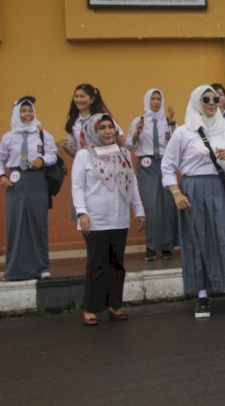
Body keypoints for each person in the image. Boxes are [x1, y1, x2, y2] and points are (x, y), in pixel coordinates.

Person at [161, 85, 225, 318]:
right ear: (197, 101)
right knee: (197, 241)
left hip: (218, 187)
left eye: (215, 99)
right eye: (205, 99)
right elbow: (167, 167)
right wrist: (176, 193)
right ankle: (202, 297)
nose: (211, 102)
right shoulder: (184, 132)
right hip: (193, 189)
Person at [72, 114, 145, 325]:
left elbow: (132, 184)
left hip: (119, 218)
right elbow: (77, 187)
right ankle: (91, 308)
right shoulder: (84, 155)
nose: (107, 131)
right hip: (94, 219)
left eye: (110, 127)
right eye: (102, 128)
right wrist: (81, 212)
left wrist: (138, 211)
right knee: (97, 264)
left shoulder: (123, 154)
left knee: (116, 263)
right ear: (93, 131)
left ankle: (115, 304)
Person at [0, 96, 57, 281]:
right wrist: (1, 175)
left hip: (37, 181)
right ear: (16, 113)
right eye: (23, 111)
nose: (28, 114)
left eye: (30, 111)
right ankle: (13, 270)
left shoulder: (43, 135)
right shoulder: (8, 137)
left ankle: (42, 267)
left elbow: (53, 155)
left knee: (38, 224)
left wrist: (42, 159)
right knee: (16, 225)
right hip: (15, 183)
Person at [126, 88, 178, 261]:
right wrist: (137, 133)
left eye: (158, 99)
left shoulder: (168, 121)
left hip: (165, 163)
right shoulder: (139, 121)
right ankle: (150, 246)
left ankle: (166, 246)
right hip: (146, 164)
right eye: (153, 99)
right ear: (147, 101)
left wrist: (171, 123)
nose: (156, 102)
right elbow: (129, 145)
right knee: (151, 206)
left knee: (168, 205)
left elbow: (175, 144)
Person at [62, 83, 124, 157]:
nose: (78, 100)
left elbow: (120, 141)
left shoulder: (103, 118)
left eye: (82, 97)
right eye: (76, 96)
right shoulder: (73, 122)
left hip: (105, 160)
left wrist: (116, 135)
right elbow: (77, 152)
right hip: (85, 163)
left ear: (92, 99)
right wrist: (66, 147)